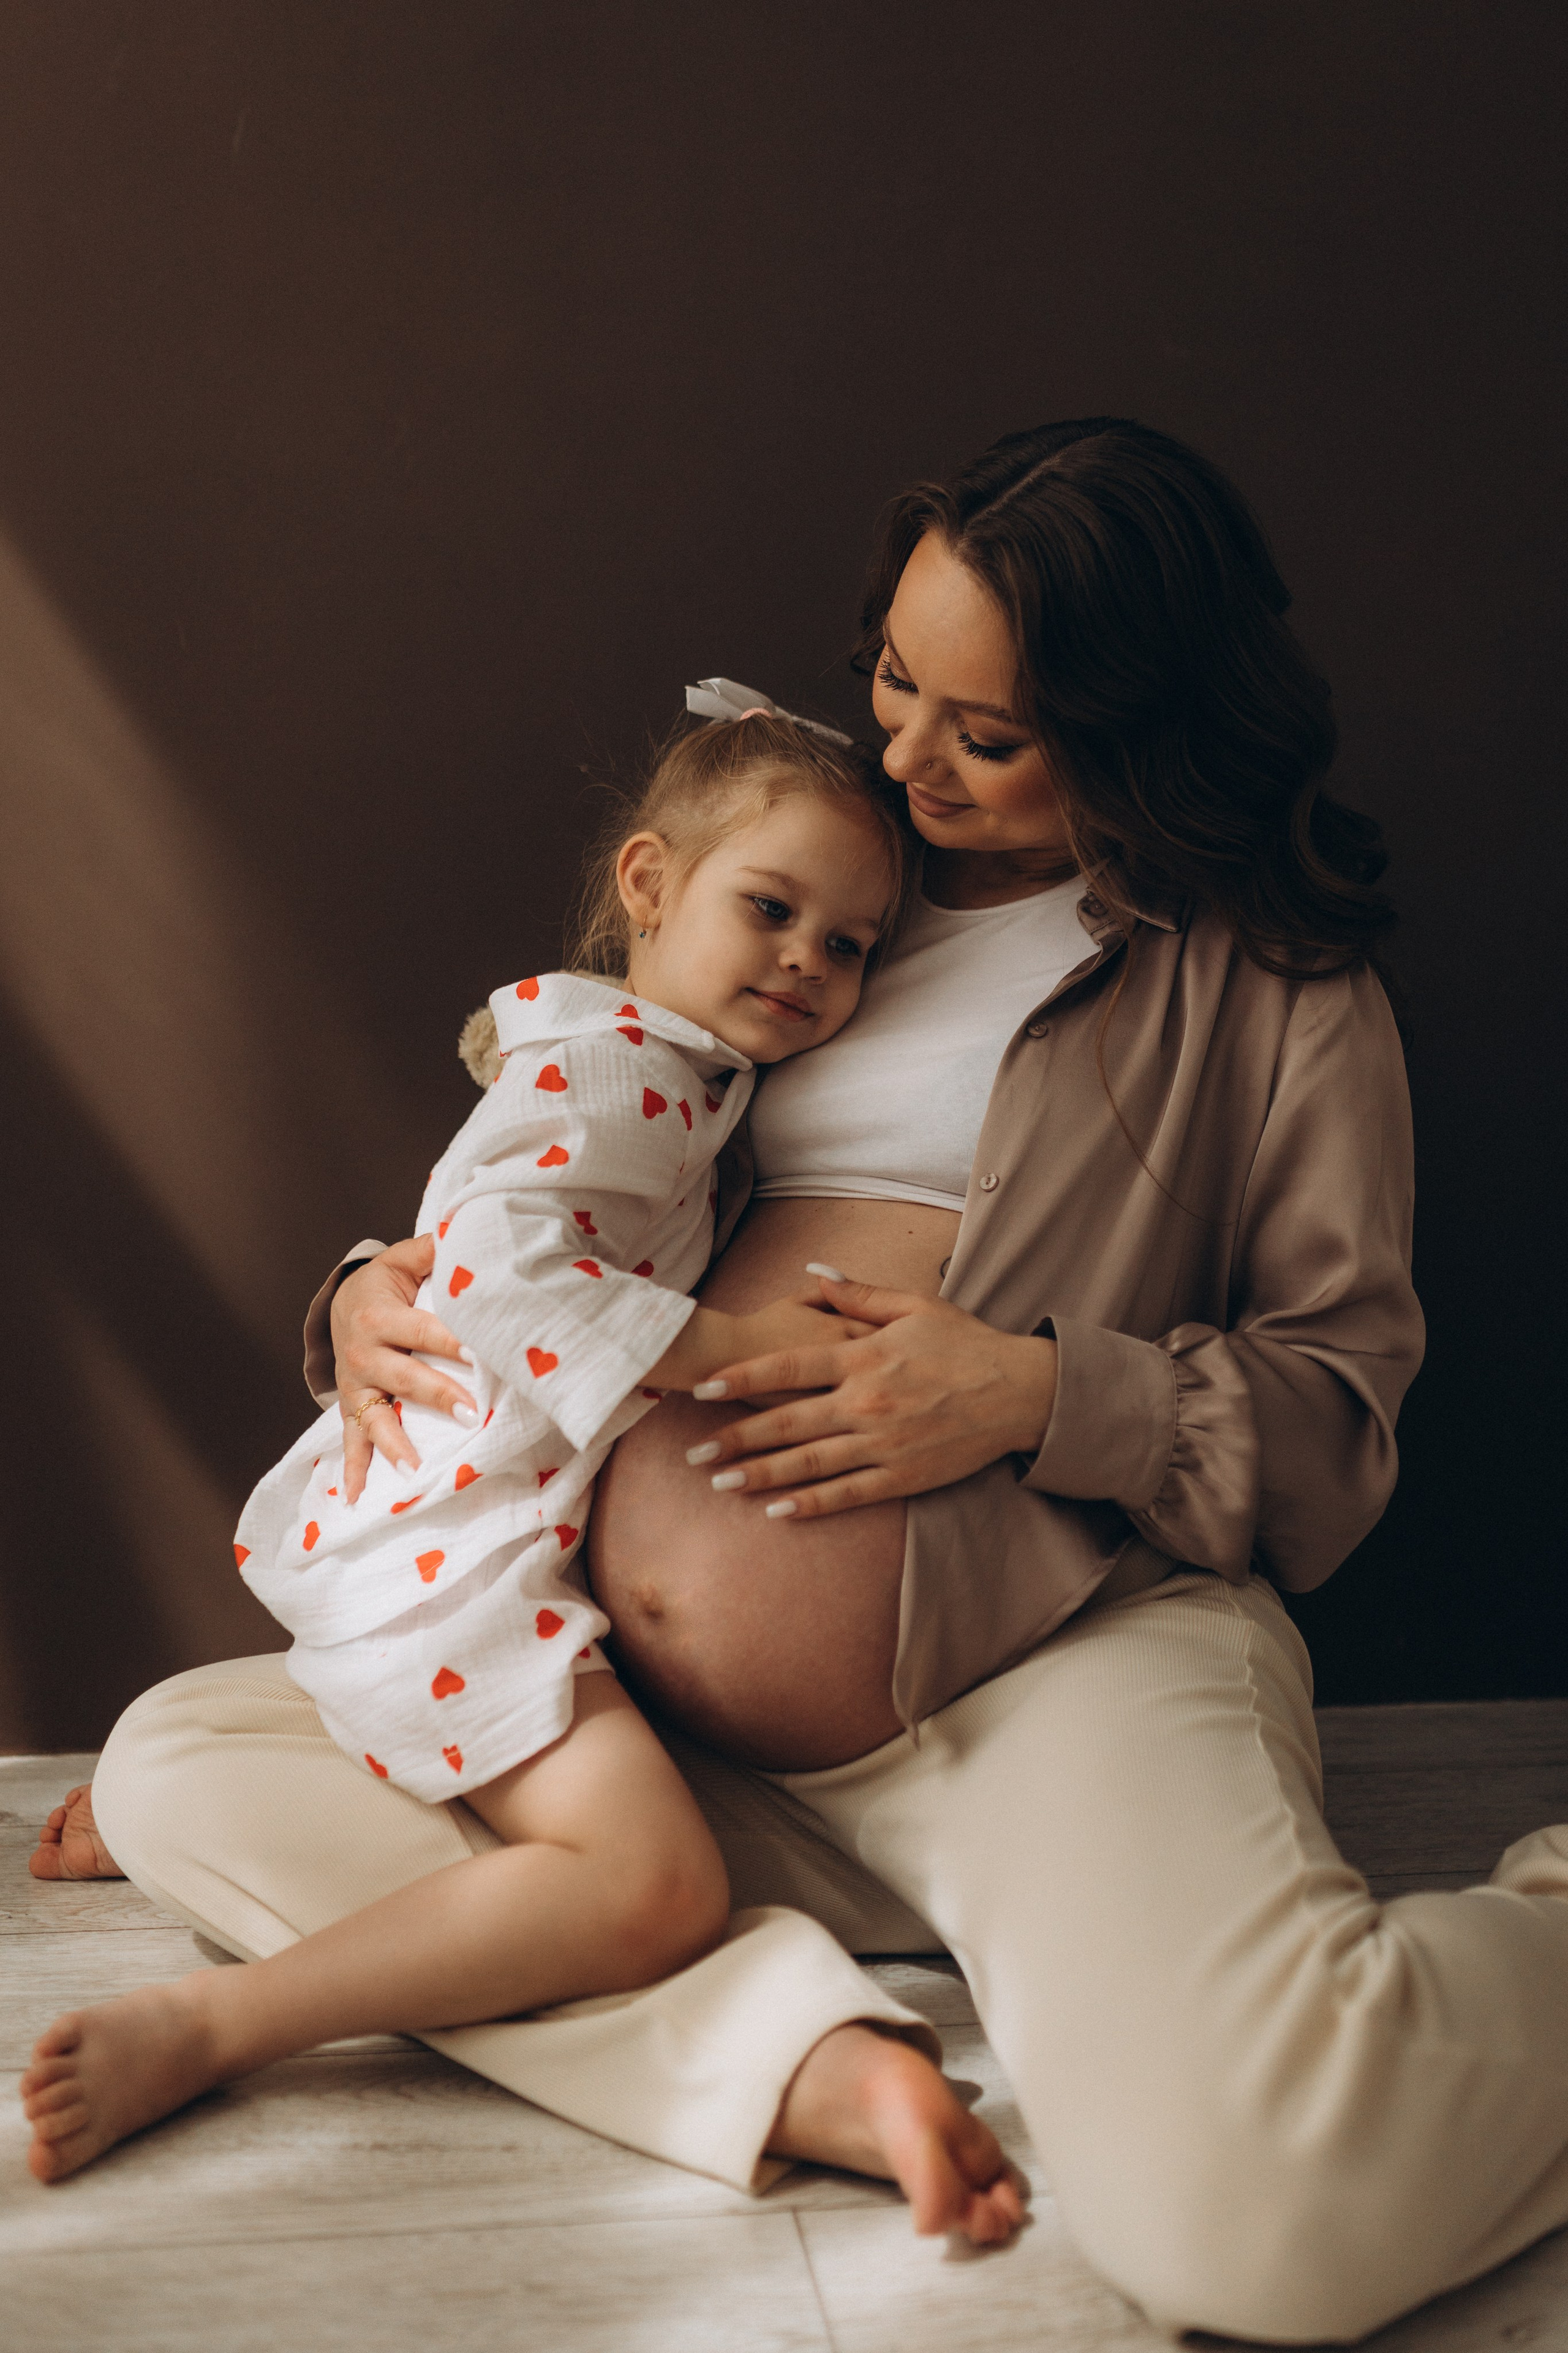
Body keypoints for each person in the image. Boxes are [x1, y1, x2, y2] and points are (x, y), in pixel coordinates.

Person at [30, 420, 1566, 2342]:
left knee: (1271, 2227)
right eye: (894, 682)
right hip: (657, 1721)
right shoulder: (833, 880)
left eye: (983, 734)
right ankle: (807, 2056)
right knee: (186, 1757)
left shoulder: (1274, 991)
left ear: (1139, 725)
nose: (906, 760)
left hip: (1044, 1666)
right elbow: (572, 1149)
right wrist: (366, 1287)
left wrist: (1032, 1393)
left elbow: (1338, 1431)